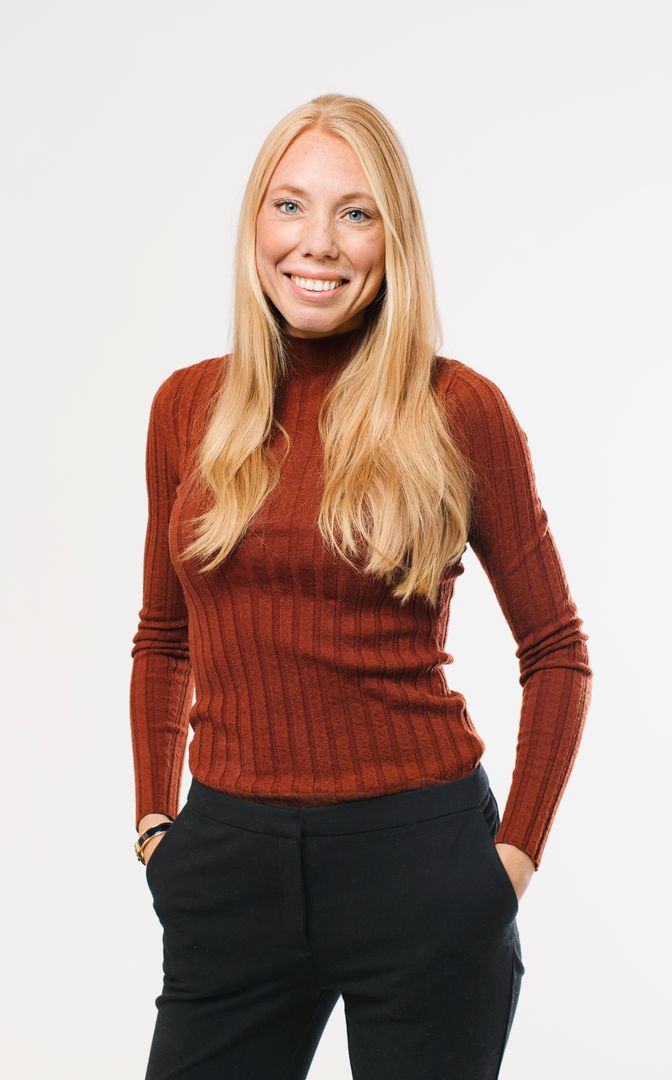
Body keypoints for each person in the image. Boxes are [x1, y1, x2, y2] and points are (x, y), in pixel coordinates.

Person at [129, 93, 593, 1080]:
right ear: (256, 224)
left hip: (421, 863)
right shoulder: (187, 408)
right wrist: (155, 826)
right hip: (226, 865)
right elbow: (164, 641)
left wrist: (509, 864)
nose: (319, 243)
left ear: (394, 239)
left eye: (355, 212)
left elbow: (556, 649)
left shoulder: (457, 409)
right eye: (290, 205)